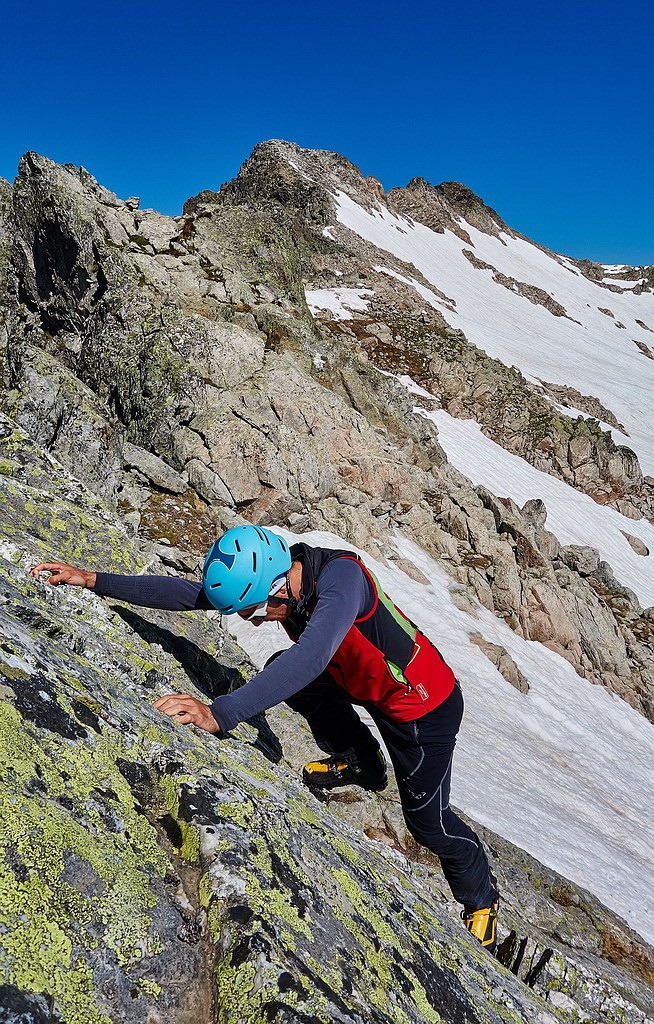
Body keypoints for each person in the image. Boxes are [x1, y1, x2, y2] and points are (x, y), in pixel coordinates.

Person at [31, 524, 500, 947]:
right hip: (360, 678)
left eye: (258, 610)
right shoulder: (282, 583)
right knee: (285, 673)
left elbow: (312, 656)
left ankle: (482, 899)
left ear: (281, 585)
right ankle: (361, 759)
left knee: (428, 824)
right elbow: (191, 595)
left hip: (422, 706)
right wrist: (95, 580)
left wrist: (220, 714)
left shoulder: (342, 581)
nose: (256, 621)